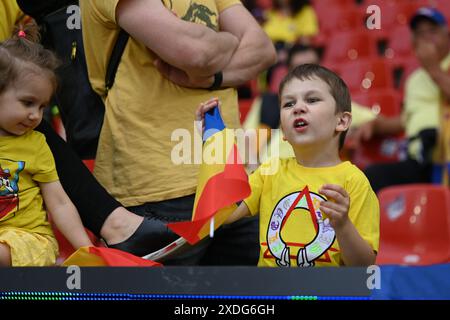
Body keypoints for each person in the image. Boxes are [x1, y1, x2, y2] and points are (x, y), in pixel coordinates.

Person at [80, 0, 276, 264]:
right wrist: (229, 40)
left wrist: (211, 78)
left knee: (248, 300)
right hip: (156, 189)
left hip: (231, 180)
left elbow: (263, 50)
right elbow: (195, 53)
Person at [197, 64, 380, 267]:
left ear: (342, 121)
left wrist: (343, 225)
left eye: (312, 100)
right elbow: (225, 214)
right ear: (283, 131)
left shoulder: (355, 181)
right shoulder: (269, 172)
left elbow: (364, 268)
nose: (298, 108)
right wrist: (214, 141)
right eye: (289, 104)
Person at [0, 27, 93, 266]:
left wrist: (88, 249)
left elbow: (59, 203)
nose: (35, 115)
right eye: (28, 102)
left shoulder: (36, 144)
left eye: (42, 107)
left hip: (30, 240)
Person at [357, 7, 450, 193]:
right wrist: (376, 125)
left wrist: (434, 70)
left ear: (447, 35)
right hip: (419, 156)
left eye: (432, 31)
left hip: (443, 155)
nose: (425, 38)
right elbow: (406, 120)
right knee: (366, 177)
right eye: (419, 33)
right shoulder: (414, 78)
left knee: (375, 176)